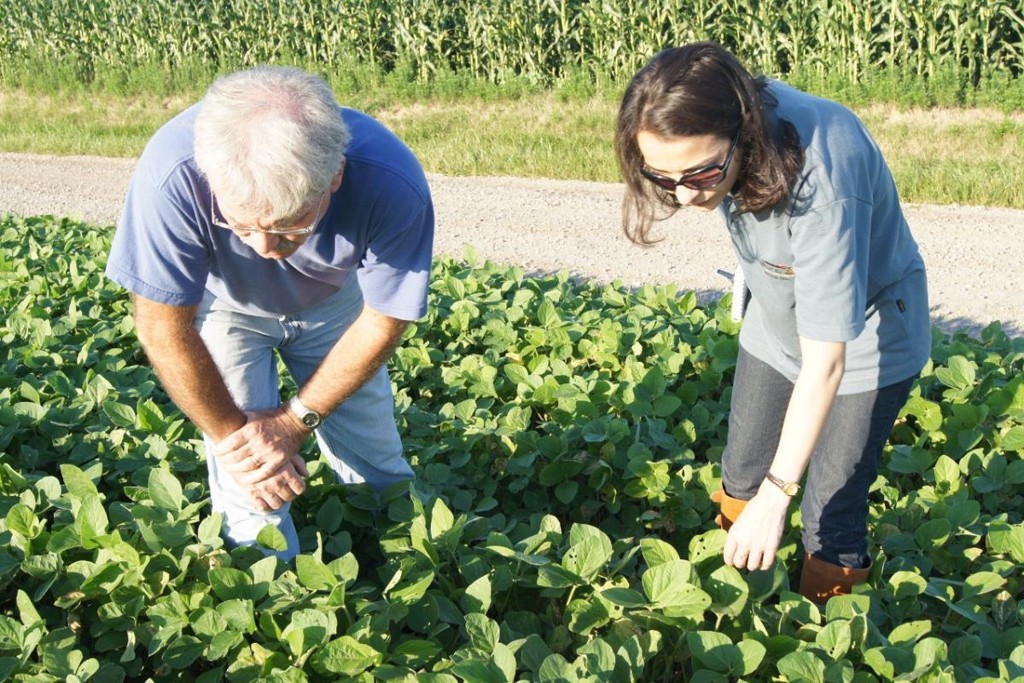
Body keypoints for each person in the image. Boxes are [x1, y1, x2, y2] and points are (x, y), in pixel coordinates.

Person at [615, 42, 930, 603]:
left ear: (746, 131)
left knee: (829, 511)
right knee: (742, 476)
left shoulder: (822, 181)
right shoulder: (712, 129)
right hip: (776, 315)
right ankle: (735, 606)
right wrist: (760, 495)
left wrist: (779, 493)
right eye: (662, 177)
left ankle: (823, 631)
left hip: (865, 340)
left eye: (701, 172)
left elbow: (826, 363)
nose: (683, 195)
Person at [106, 65, 434, 562]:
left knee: (376, 457)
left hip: (336, 303)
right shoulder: (173, 173)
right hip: (224, 305)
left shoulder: (390, 180)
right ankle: (275, 589)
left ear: (335, 177)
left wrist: (294, 423)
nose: (263, 248)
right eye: (240, 226)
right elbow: (162, 327)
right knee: (249, 485)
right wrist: (237, 440)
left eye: (290, 227)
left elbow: (383, 318)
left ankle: (409, 566)